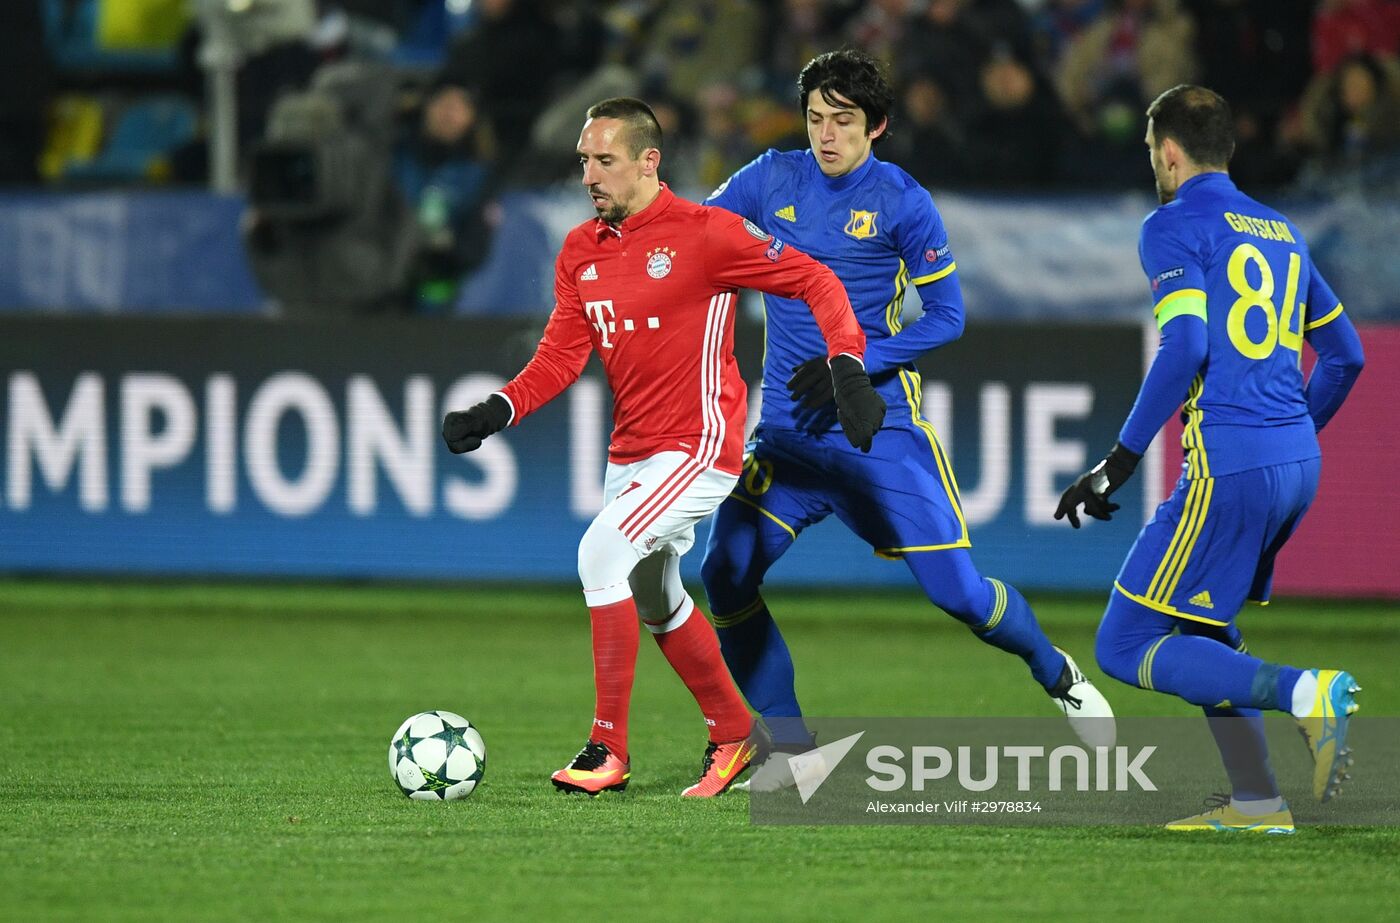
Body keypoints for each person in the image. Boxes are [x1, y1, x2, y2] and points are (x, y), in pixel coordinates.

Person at [441, 97, 885, 797]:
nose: (590, 174)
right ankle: (737, 735)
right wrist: (498, 408)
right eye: (584, 160)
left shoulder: (707, 234)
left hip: (700, 445)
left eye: (605, 160)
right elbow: (562, 353)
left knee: (599, 554)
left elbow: (813, 279)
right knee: (655, 595)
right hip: (633, 453)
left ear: (649, 161)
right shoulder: (581, 250)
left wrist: (847, 364)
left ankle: (606, 750)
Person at [698, 49, 1115, 790]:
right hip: (789, 437)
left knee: (960, 594)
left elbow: (948, 315)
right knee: (724, 571)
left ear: (877, 126)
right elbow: (695, 237)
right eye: (816, 118)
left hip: (877, 431)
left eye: (844, 121)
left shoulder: (902, 201)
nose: (826, 135)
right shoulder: (768, 178)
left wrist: (854, 365)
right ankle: (793, 750)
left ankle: (1057, 672)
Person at [1056, 85, 1366, 833]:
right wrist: (1291, 431)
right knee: (1199, 628)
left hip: (1229, 465)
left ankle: (1304, 693)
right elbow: (1345, 356)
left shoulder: (1171, 225)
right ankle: (1258, 800)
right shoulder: (1281, 229)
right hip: (1296, 463)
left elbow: (1187, 343)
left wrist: (1120, 461)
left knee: (1125, 642)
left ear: (1168, 152)